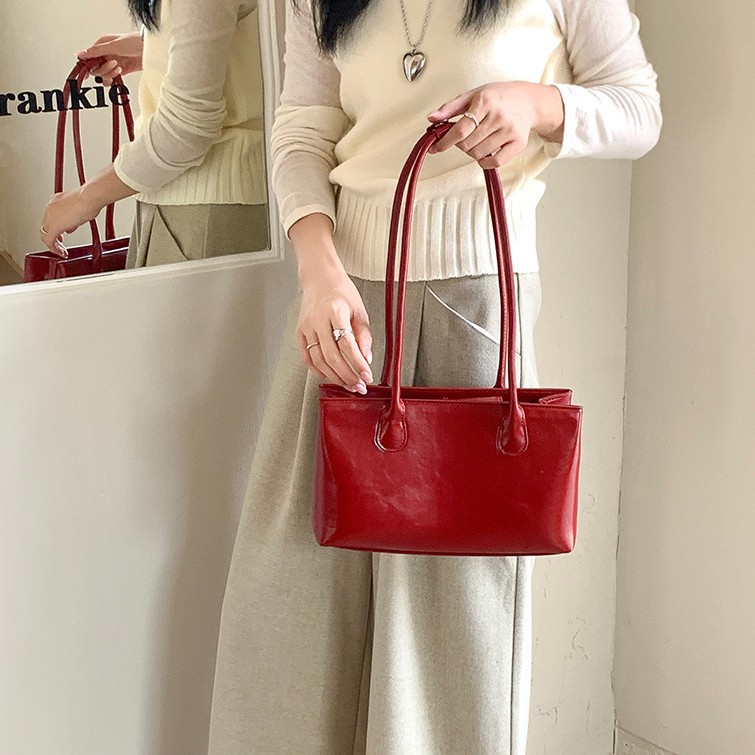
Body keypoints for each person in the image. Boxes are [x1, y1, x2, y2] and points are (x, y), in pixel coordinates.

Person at [209, 0, 662, 752]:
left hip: (476, 304)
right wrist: (317, 271)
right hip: (345, 307)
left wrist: (538, 104)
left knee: (452, 624)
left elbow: (637, 109)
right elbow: (301, 130)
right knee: (294, 603)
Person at [40, 0, 269, 267]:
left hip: (203, 210)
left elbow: (184, 131)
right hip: (202, 202)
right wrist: (154, 46)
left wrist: (84, 199)